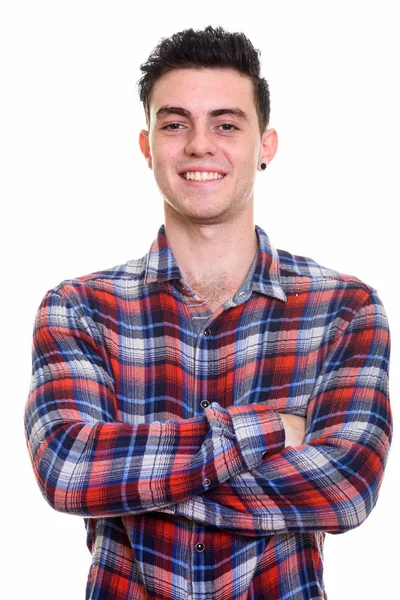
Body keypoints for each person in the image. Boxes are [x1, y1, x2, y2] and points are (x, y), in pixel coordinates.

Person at [24, 25, 392, 600]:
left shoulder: (344, 311)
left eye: (226, 124)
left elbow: (346, 488)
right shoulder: (79, 310)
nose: (200, 145)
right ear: (147, 146)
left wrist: (130, 479)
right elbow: (70, 470)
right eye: (175, 124)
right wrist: (271, 430)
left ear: (264, 145)